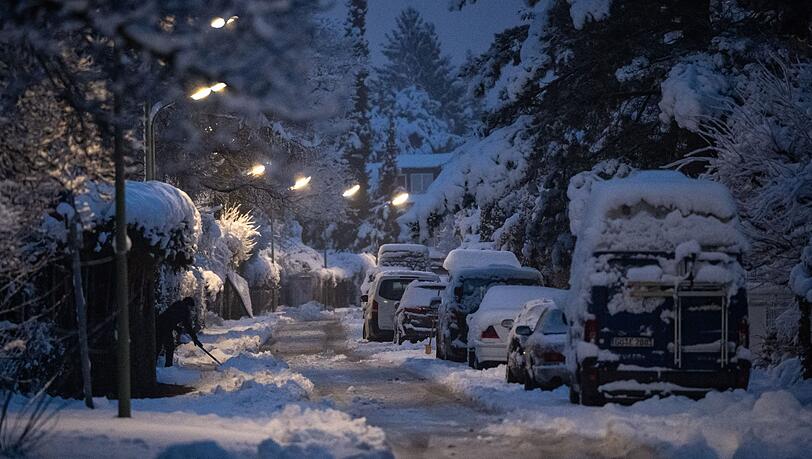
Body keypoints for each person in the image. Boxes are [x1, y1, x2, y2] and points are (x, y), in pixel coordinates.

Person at [156, 297, 202, 367]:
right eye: (190, 307)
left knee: (158, 347)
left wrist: (176, 328)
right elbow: (187, 325)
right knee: (169, 347)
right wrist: (195, 339)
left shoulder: (177, 305)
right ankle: (168, 367)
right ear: (188, 304)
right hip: (165, 328)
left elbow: (170, 318)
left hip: (159, 325)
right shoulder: (184, 310)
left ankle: (152, 366)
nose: (190, 309)